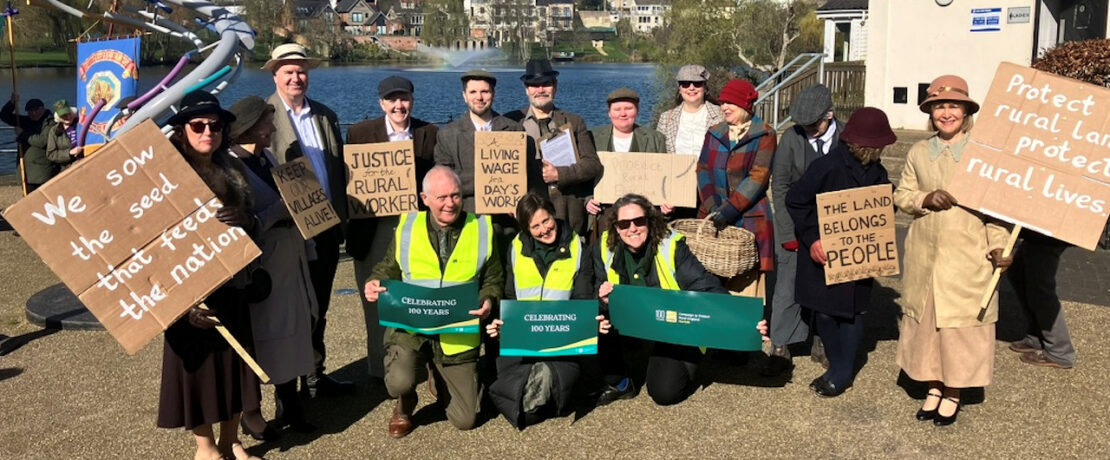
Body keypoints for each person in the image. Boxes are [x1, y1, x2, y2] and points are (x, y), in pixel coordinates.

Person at [894, 75, 1012, 426]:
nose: (946, 113)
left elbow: (997, 211)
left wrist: (999, 247)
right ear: (930, 113)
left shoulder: (982, 155)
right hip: (925, 255)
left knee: (959, 328)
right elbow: (902, 195)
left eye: (953, 105)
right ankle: (933, 385)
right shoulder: (918, 152)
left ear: (966, 110)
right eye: (938, 107)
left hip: (966, 256)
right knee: (928, 324)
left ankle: (954, 391)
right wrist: (924, 198)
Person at [157, 91, 263, 460]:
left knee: (236, 366)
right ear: (182, 130)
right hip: (187, 291)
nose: (207, 132)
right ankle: (205, 447)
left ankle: (231, 439)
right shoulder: (164, 174)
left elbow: (252, 225)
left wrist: (247, 219)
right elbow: (147, 246)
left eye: (215, 126)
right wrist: (181, 305)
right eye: (198, 125)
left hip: (232, 283)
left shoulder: (232, 167)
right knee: (198, 370)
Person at [362, 166, 504, 438]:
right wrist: (374, 281)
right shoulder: (408, 226)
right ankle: (404, 406)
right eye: (441, 197)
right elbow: (388, 267)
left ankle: (438, 374)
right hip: (412, 329)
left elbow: (494, 277)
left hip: (456, 333)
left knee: (465, 419)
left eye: (455, 196)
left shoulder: (482, 227)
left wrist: (488, 300)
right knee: (398, 382)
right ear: (424, 198)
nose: (450, 203)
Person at [592, 193, 768, 406]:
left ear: (649, 221)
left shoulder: (671, 246)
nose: (632, 229)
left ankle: (687, 359)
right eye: (624, 224)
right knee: (598, 320)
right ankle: (619, 382)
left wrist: (745, 321)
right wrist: (601, 300)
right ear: (616, 228)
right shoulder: (602, 247)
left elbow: (705, 285)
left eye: (639, 221)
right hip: (631, 322)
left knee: (664, 393)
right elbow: (591, 292)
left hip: (672, 326)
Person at [785, 107, 897, 397]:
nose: (878, 150)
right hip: (824, 256)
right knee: (824, 314)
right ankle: (837, 366)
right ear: (859, 144)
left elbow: (879, 208)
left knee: (853, 313)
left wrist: (888, 203)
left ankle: (842, 372)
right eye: (874, 145)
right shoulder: (827, 166)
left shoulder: (878, 171)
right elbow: (796, 200)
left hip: (857, 257)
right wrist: (813, 239)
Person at [264, 43, 353, 396]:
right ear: (275, 75)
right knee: (290, 310)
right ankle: (287, 388)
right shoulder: (264, 117)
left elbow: (338, 166)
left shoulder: (326, 115)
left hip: (327, 225)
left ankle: (315, 374)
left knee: (321, 303)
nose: (296, 77)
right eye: (288, 71)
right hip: (289, 231)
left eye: (301, 71)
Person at [227, 95, 318, 436]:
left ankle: (291, 407)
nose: (273, 129)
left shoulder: (264, 158)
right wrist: (274, 214)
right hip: (263, 267)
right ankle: (254, 413)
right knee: (267, 338)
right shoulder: (232, 167)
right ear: (250, 126)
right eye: (267, 124)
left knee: (293, 334)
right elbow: (234, 224)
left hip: (288, 259)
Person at [347, 75, 439, 382]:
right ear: (381, 103)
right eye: (391, 100)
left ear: (412, 100)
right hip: (373, 227)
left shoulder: (429, 132)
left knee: (418, 295)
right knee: (375, 300)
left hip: (415, 225)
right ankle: (379, 370)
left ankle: (422, 367)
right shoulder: (359, 133)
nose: (398, 106)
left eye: (404, 99)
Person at [486, 192, 594, 428]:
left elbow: (582, 300)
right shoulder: (515, 249)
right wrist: (502, 324)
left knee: (536, 399)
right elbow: (510, 296)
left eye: (546, 221)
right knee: (503, 391)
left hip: (562, 342)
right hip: (524, 339)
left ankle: (540, 381)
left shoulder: (579, 249)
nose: (544, 229)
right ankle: (536, 384)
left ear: (554, 214)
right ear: (525, 228)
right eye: (535, 226)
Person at [765, 84, 843, 376]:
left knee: (829, 287)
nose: (808, 129)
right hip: (796, 223)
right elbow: (781, 185)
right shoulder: (792, 139)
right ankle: (781, 344)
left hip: (836, 225)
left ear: (830, 115)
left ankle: (822, 341)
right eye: (803, 124)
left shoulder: (846, 138)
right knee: (786, 286)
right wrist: (786, 234)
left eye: (814, 124)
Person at [505, 59, 603, 236]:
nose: (540, 90)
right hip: (526, 215)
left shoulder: (574, 122)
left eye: (546, 84)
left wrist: (560, 174)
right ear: (526, 89)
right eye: (534, 85)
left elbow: (592, 165)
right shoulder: (510, 122)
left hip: (566, 214)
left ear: (555, 86)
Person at [434, 69, 545, 215]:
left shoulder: (515, 130)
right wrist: (488, 179)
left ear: (493, 94)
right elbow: (445, 182)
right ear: (464, 96)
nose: (479, 97)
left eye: (485, 92)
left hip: (506, 220)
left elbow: (527, 177)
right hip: (467, 217)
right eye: (473, 92)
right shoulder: (447, 135)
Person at [696, 79, 776, 275]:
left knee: (747, 281)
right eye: (722, 103)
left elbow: (758, 177)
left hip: (750, 218)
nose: (724, 107)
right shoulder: (714, 133)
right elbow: (703, 169)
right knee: (710, 276)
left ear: (744, 105)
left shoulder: (765, 134)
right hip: (712, 214)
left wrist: (729, 210)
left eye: (729, 103)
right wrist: (713, 207)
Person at [585, 88, 667, 230]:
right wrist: (587, 200)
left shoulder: (656, 139)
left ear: (637, 110)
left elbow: (664, 178)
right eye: (617, 109)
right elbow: (583, 174)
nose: (623, 114)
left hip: (642, 216)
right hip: (604, 214)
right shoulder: (592, 137)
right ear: (609, 113)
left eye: (628, 108)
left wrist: (666, 202)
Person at [1006, 231, 1075, 369]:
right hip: (1037, 232)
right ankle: (1037, 335)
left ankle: (1060, 351)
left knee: (1039, 288)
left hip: (1050, 233)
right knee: (1019, 272)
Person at [656, 64, 724, 156]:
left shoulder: (721, 115)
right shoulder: (666, 118)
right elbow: (659, 153)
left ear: (705, 88)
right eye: (686, 84)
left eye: (697, 83)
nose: (691, 88)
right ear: (680, 89)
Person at [2, 94, 49, 191]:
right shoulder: (26, 121)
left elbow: (42, 141)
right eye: (30, 111)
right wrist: (12, 103)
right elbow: (4, 116)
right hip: (27, 171)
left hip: (43, 171)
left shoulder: (50, 122)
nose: (33, 113)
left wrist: (22, 134)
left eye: (36, 110)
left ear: (43, 109)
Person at [42, 100, 81, 171]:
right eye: (63, 115)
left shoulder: (81, 124)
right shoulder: (54, 131)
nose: (67, 117)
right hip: (67, 169)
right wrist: (69, 153)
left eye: (68, 113)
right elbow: (51, 154)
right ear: (59, 117)